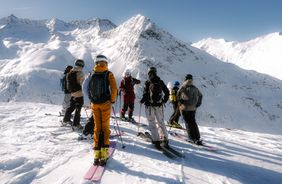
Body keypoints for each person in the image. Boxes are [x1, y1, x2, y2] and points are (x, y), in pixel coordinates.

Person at [84, 54, 117, 166]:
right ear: (106, 62)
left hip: (95, 104)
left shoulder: (91, 73)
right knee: (105, 128)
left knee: (97, 128)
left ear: (96, 62)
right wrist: (111, 100)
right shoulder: (108, 74)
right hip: (105, 104)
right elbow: (114, 88)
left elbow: (85, 87)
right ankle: (104, 155)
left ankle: (96, 155)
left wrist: (91, 99)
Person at [140, 67, 170, 150]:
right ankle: (165, 139)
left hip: (149, 106)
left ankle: (156, 140)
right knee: (161, 122)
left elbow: (145, 94)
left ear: (149, 73)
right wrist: (163, 101)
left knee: (152, 122)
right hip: (159, 105)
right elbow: (167, 92)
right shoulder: (160, 82)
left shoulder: (148, 82)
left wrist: (142, 100)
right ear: (156, 72)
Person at [177, 74, 203, 145]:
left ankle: (191, 138)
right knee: (193, 122)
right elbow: (200, 95)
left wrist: (180, 103)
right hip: (193, 108)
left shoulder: (183, 87)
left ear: (185, 79)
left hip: (185, 108)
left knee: (188, 123)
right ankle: (197, 137)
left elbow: (178, 96)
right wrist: (198, 104)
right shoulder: (195, 87)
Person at [62, 59, 85, 129]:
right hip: (79, 93)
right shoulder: (80, 73)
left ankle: (65, 120)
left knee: (71, 107)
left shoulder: (71, 72)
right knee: (78, 108)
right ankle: (76, 124)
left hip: (72, 93)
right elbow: (82, 84)